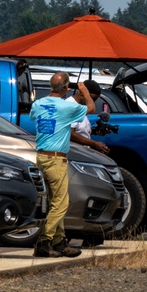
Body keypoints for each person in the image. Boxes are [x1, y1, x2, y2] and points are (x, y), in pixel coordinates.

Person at [30, 72, 95, 257]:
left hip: (42, 157)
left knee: (53, 202)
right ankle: (44, 241)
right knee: (61, 203)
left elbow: (35, 117)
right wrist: (84, 91)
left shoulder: (38, 104)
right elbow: (90, 108)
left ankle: (59, 241)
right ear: (66, 88)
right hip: (56, 159)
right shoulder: (66, 107)